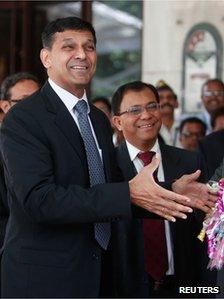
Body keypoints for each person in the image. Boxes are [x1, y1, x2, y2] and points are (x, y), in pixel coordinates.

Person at [0, 17, 213, 298]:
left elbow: (115, 189)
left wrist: (172, 190)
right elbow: (39, 201)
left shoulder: (97, 120)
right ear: (46, 57)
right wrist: (127, 193)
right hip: (44, 280)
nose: (82, 54)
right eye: (69, 47)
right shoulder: (25, 118)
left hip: (99, 276)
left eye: (89, 47)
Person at [111, 81, 210, 297]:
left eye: (152, 106)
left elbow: (204, 232)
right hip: (124, 288)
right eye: (134, 110)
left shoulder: (190, 163)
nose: (146, 115)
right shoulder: (106, 167)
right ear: (118, 121)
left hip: (184, 285)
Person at [156, 80, 179, 146]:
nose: (166, 101)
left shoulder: (186, 127)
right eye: (161, 98)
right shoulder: (151, 128)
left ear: (176, 103)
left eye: (170, 97)